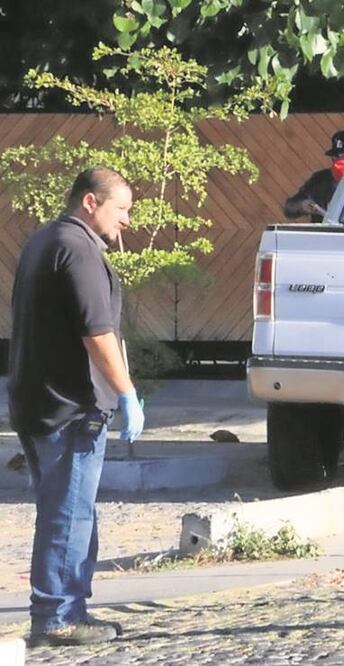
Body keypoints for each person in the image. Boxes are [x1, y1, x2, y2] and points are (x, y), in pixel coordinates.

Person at [9, 167, 146, 646]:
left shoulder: (45, 239)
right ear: (91, 202)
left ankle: (68, 609)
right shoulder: (79, 248)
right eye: (121, 209)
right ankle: (58, 615)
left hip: (37, 398)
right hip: (69, 405)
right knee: (69, 514)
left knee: (65, 510)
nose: (127, 220)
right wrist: (126, 392)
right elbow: (97, 332)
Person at [284, 129, 344, 223]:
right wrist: (302, 205)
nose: (338, 161)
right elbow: (290, 207)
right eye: (335, 156)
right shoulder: (320, 179)